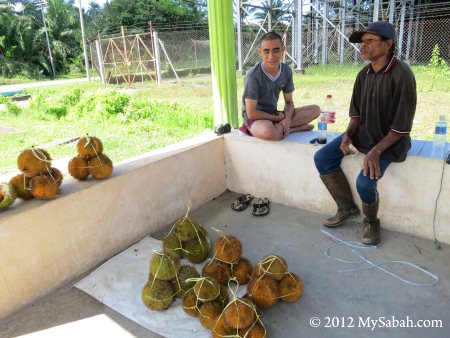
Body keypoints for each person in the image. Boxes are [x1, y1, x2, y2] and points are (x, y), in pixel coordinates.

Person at [313, 21, 416, 245]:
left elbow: (401, 128)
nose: (363, 46)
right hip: (363, 136)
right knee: (322, 157)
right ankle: (346, 208)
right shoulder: (363, 75)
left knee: (364, 183)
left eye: (369, 41)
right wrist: (348, 134)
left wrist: (375, 152)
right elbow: (356, 116)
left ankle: (371, 222)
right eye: (362, 42)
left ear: (388, 44)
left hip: (390, 144)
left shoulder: (402, 75)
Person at [239, 31, 320, 140]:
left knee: (315, 110)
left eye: (276, 50)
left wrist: (286, 119)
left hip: (275, 115)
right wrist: (278, 119)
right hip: (257, 120)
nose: (271, 56)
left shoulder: (286, 70)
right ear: (260, 52)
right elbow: (251, 113)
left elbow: (289, 103)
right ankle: (294, 129)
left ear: (283, 50)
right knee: (268, 132)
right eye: (266, 51)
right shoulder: (253, 75)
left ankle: (282, 127)